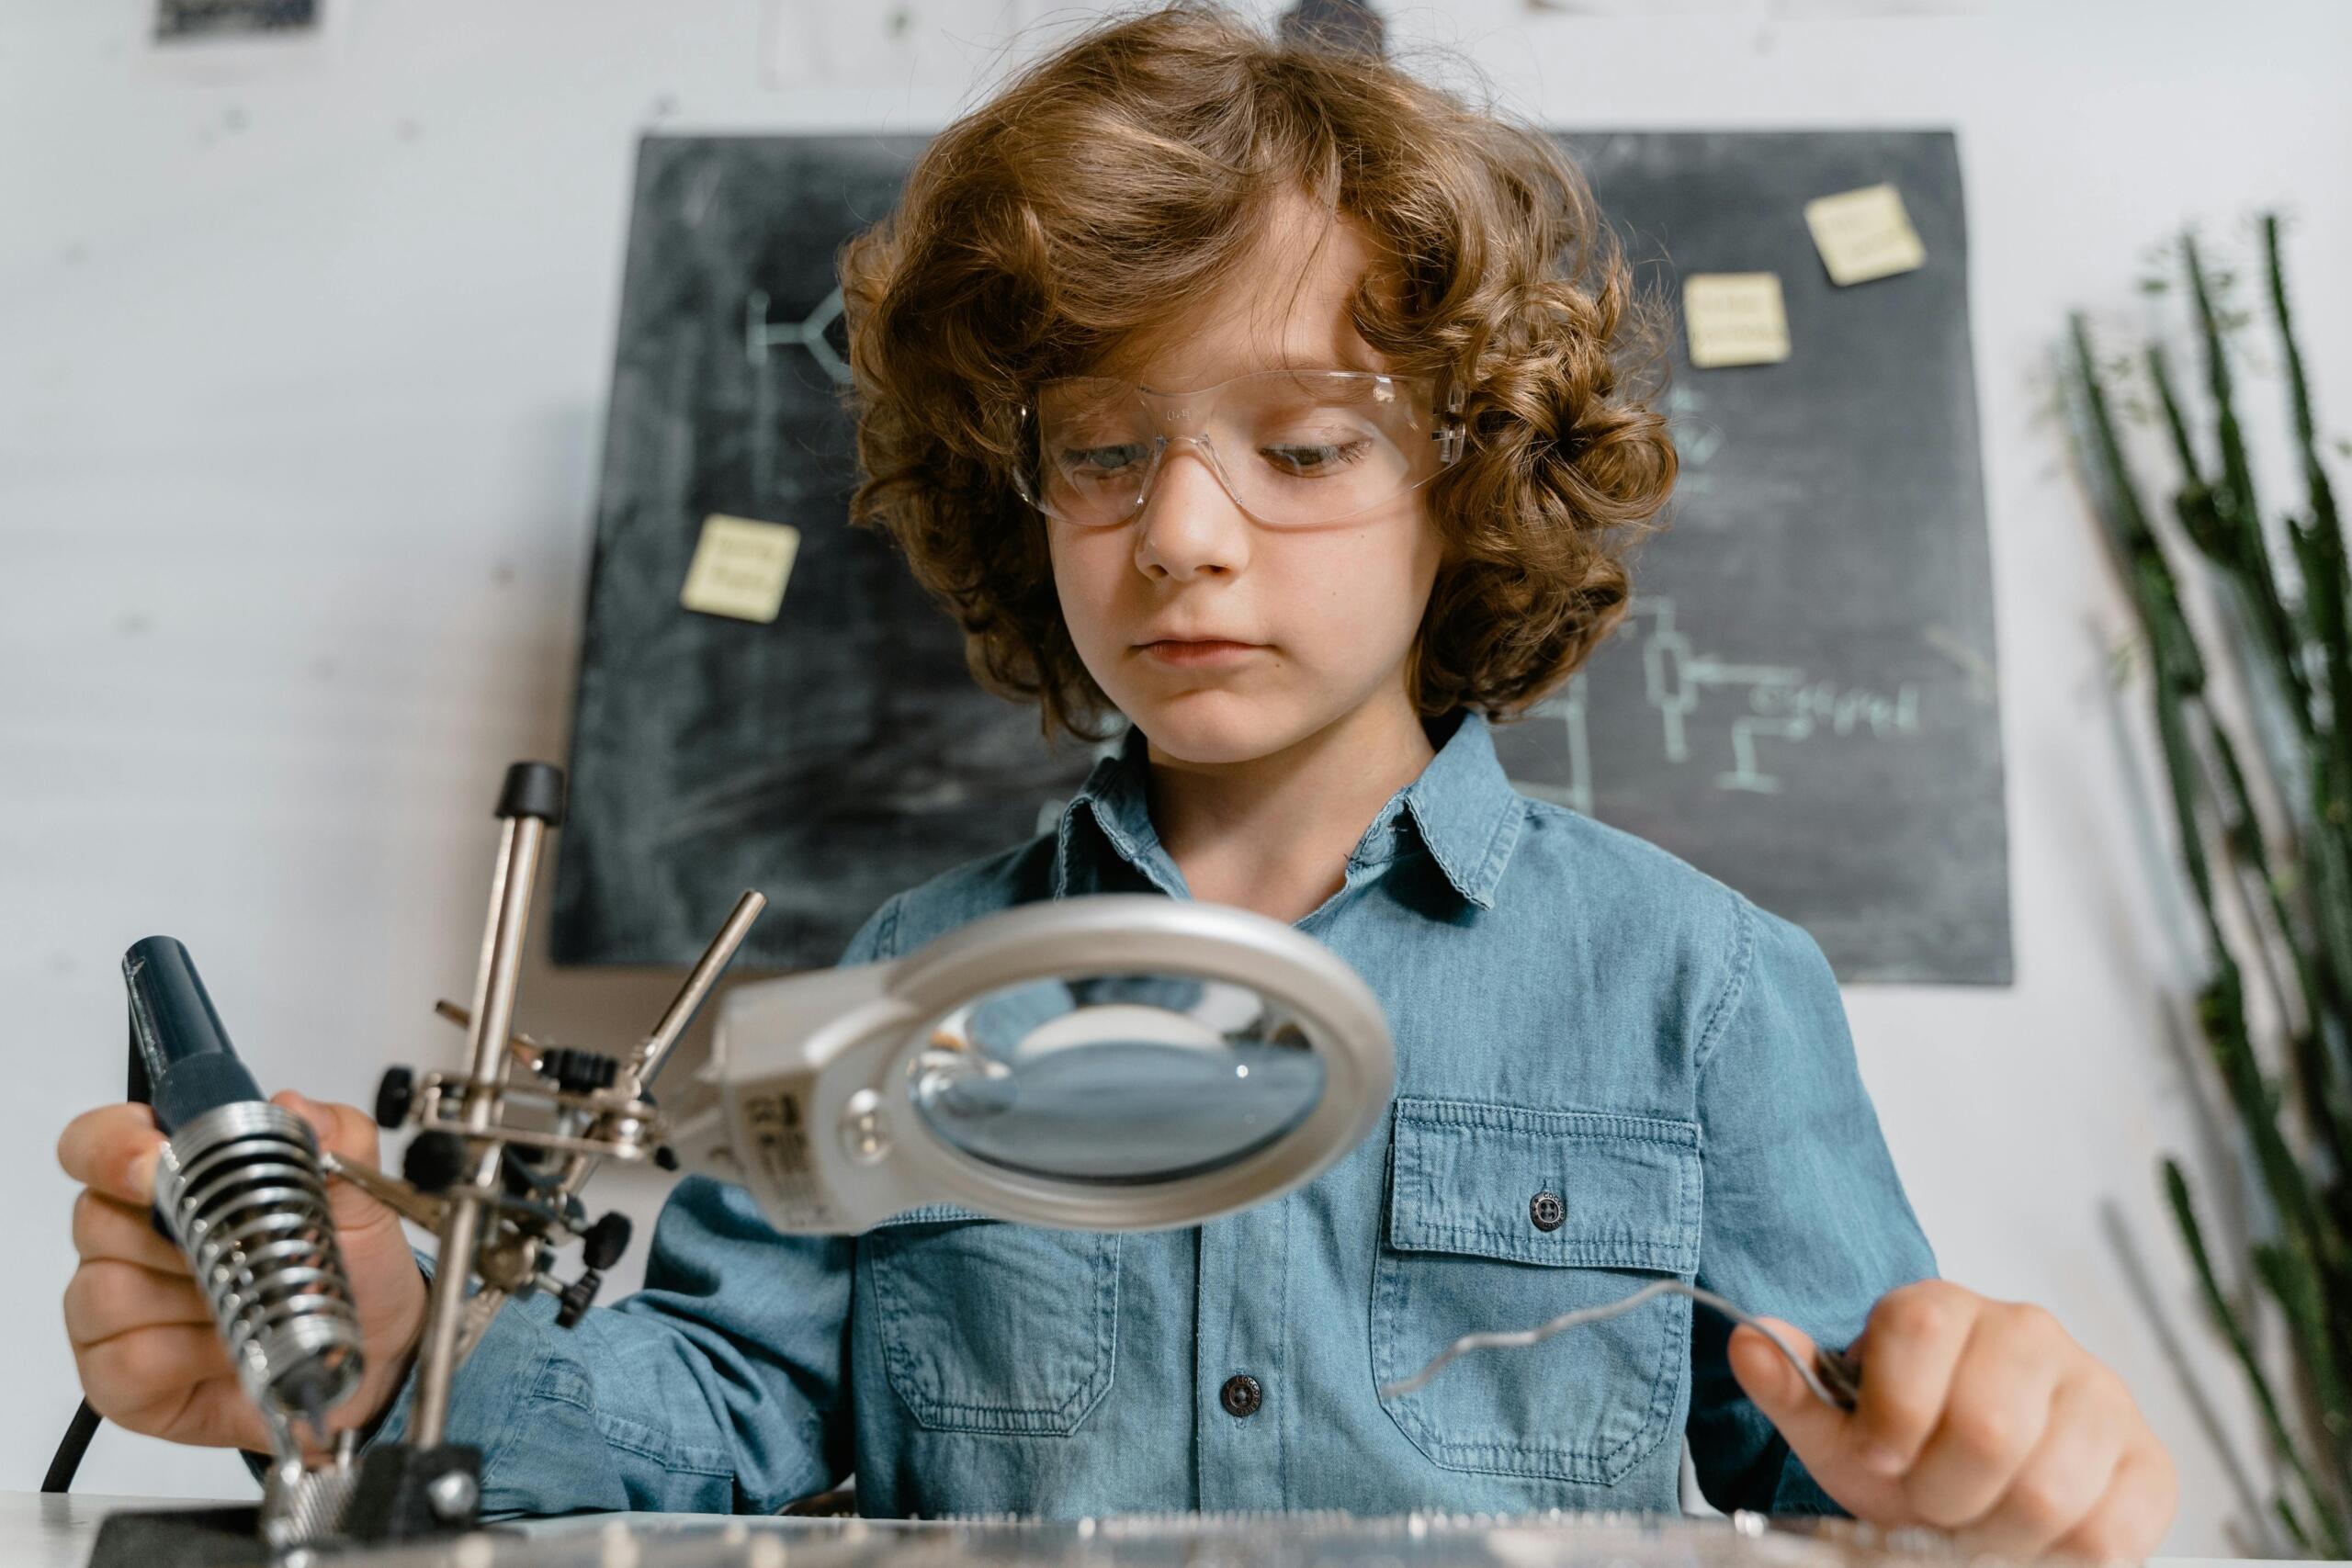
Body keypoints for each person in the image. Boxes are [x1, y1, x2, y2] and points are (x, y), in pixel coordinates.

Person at [56, 3, 2175, 1555]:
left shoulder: (1696, 986)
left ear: (1464, 483)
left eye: (1304, 441)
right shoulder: (904, 976)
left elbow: (1858, 1444)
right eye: (1102, 449)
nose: (1177, 531)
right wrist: (395, 1340)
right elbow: (709, 1400)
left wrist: (1984, 1453)